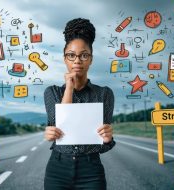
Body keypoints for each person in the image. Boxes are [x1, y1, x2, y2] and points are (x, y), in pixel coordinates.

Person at [43, 18, 115, 190]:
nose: (77, 60)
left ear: (91, 59)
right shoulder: (53, 92)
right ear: (65, 59)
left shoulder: (104, 93)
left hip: (91, 170)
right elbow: (57, 127)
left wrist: (107, 139)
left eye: (84, 55)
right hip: (57, 168)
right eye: (71, 55)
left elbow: (104, 145)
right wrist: (69, 86)